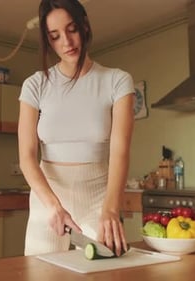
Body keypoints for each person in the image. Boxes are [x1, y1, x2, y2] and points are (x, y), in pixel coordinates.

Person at [18, 0, 135, 257]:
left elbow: (120, 152)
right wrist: (52, 206)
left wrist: (111, 209)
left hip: (98, 200)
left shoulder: (117, 81)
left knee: (104, 272)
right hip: (47, 201)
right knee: (40, 274)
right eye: (55, 36)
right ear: (48, 40)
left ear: (84, 26)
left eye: (71, 29)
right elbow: (27, 157)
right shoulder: (34, 86)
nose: (67, 42)